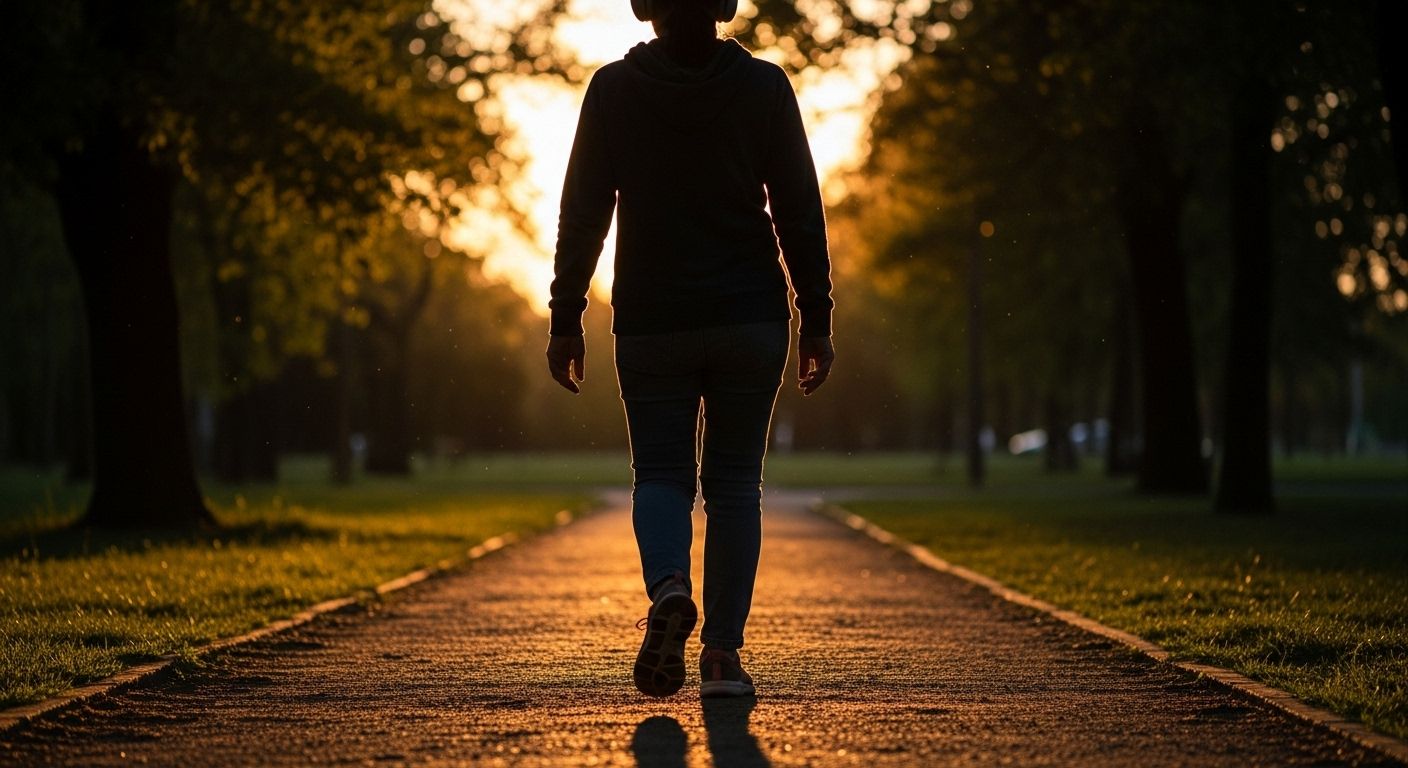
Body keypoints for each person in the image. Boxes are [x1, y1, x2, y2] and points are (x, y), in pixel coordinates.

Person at [545, 0, 834, 699]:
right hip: (748, 317)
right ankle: (722, 659)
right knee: (735, 486)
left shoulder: (613, 90)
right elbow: (798, 205)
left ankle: (670, 586)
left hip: (651, 319)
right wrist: (816, 315)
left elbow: (584, 210)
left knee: (663, 475)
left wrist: (565, 316)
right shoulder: (764, 87)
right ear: (724, 4)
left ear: (643, 6)